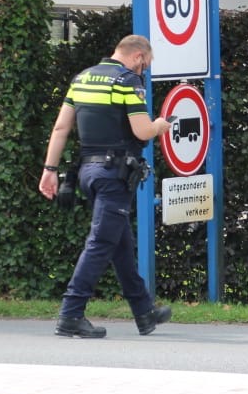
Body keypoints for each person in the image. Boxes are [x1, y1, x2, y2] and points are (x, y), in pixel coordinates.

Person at [38, 34, 173, 338]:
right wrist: (162, 125)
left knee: (120, 243)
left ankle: (144, 312)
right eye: (146, 65)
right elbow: (141, 131)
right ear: (138, 56)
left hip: (88, 172)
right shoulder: (127, 81)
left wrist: (50, 170)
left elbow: (61, 128)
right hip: (114, 175)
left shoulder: (82, 78)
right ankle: (71, 314)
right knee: (100, 242)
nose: (145, 71)